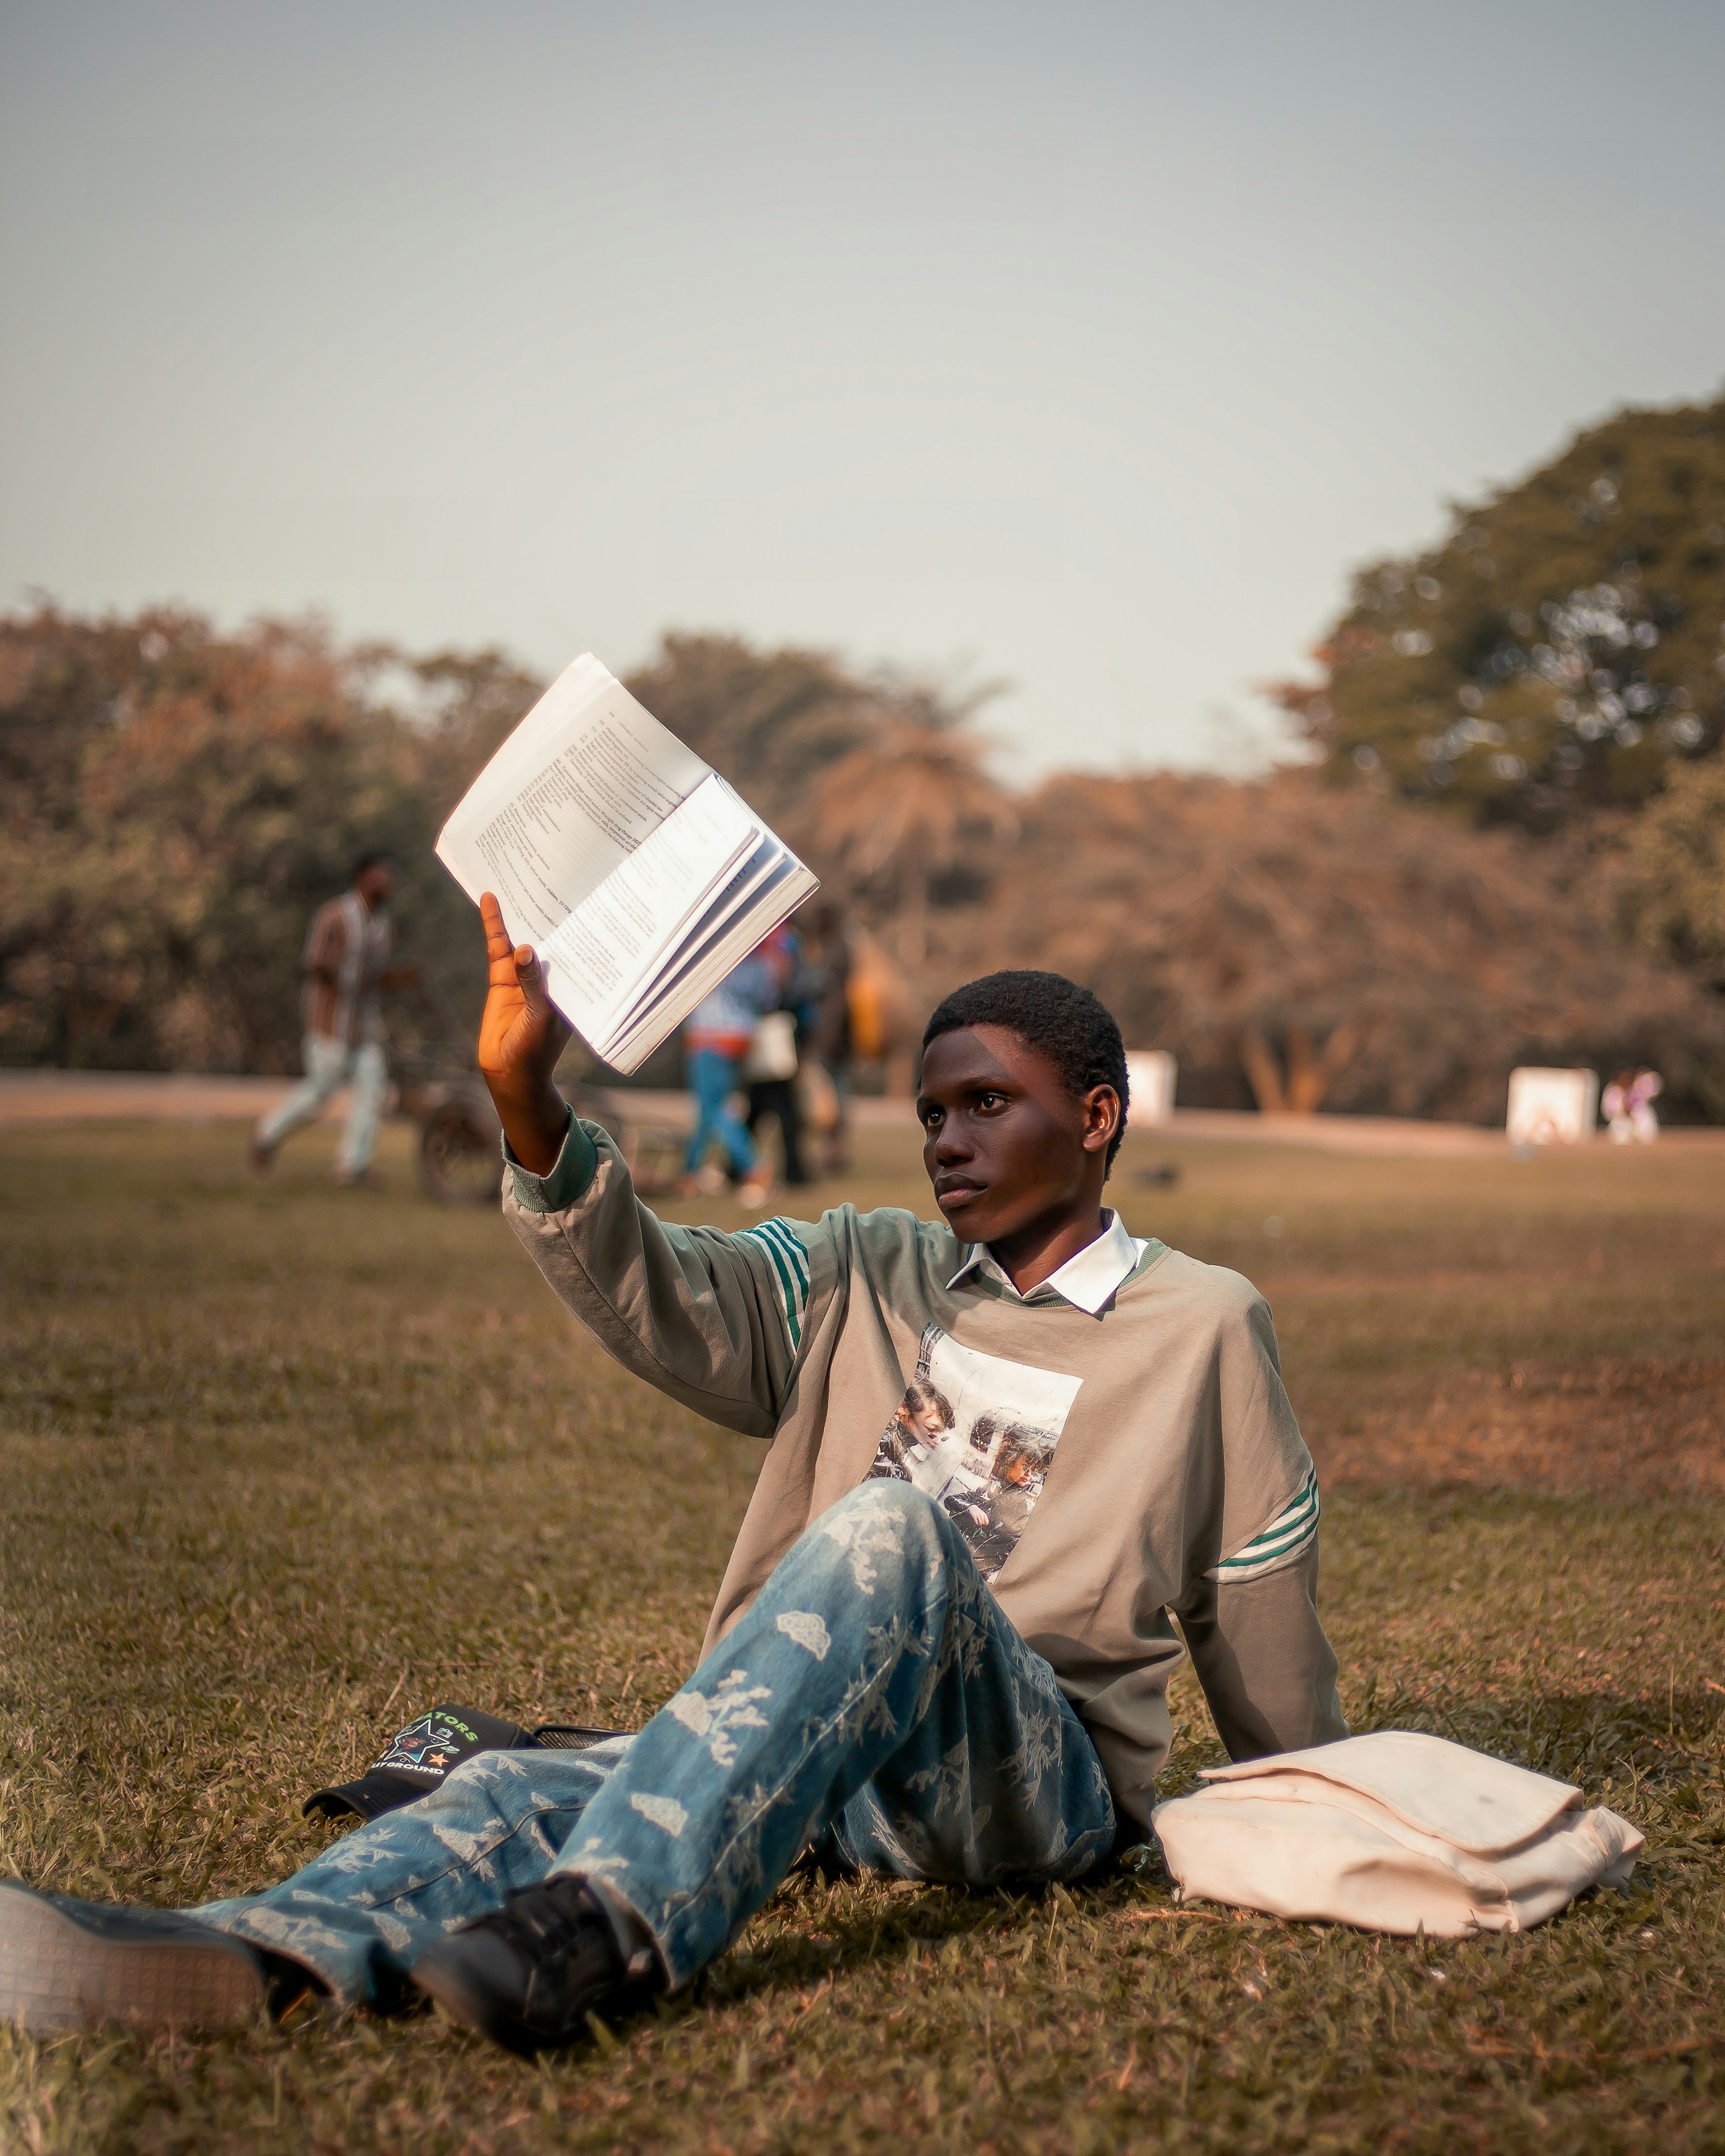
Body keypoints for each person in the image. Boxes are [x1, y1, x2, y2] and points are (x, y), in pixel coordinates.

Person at [0, 923, 1346, 2053]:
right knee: (510, 1789)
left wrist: (1323, 1804)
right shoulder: (861, 1268)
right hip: (827, 1770)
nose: (945, 1139)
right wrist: (527, 1101)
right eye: (932, 1111)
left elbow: (1251, 1617)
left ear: (1096, 1116)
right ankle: (253, 1956)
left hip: (1021, 1784)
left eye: (985, 1104)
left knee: (890, 1529)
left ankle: (610, 1934)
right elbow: (661, 1286)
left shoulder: (1203, 1323)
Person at [248, 852, 417, 1188]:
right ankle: (266, 1133)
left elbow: (377, 977)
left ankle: (352, 1166)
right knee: (319, 1093)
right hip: (329, 1024)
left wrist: (401, 977)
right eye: (380, 875)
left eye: (390, 875)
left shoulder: (384, 926)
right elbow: (313, 964)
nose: (387, 882)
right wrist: (342, 976)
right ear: (363, 877)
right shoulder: (335, 916)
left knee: (372, 1089)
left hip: (364, 1027)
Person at [678, 947, 778, 1207]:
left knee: (715, 1109)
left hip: (711, 1035)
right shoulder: (761, 962)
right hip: (742, 1036)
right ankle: (689, 1174)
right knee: (707, 1109)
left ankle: (755, 1167)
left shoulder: (717, 952)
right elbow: (767, 1000)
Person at [1602, 1067, 1662, 1145]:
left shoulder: (1637, 1090)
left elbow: (1654, 1085)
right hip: (1622, 1120)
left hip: (1638, 1119)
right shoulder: (1613, 1091)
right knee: (1621, 1139)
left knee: (1646, 1136)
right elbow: (1609, 1111)